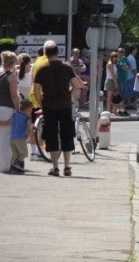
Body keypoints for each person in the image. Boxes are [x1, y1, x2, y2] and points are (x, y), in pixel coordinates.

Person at [33, 41, 85, 177]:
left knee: (51, 136)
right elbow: (76, 85)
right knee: (67, 134)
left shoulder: (42, 69)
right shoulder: (66, 67)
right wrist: (68, 92)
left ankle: (55, 168)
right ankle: (67, 167)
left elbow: (37, 90)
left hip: (49, 106)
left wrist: (41, 104)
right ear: (58, 53)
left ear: (45, 53)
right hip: (65, 105)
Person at [0, 51, 21, 172]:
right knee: (4, 140)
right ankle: (3, 167)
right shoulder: (11, 75)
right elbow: (14, 95)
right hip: (6, 108)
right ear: (13, 63)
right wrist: (17, 110)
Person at [8, 99, 34, 174]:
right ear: (28, 109)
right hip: (20, 138)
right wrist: (28, 137)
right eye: (31, 108)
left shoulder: (15, 114)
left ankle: (11, 168)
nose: (32, 110)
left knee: (15, 154)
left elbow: (10, 123)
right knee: (24, 154)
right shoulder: (27, 118)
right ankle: (17, 164)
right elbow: (29, 129)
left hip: (12, 138)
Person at [68, 48, 87, 113]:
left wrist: (76, 68)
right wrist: (77, 68)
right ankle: (71, 110)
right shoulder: (69, 60)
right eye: (75, 53)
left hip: (78, 80)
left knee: (77, 96)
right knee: (72, 96)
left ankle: (76, 110)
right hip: (70, 81)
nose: (76, 54)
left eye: (78, 53)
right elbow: (69, 68)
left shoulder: (80, 61)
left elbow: (84, 69)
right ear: (72, 53)